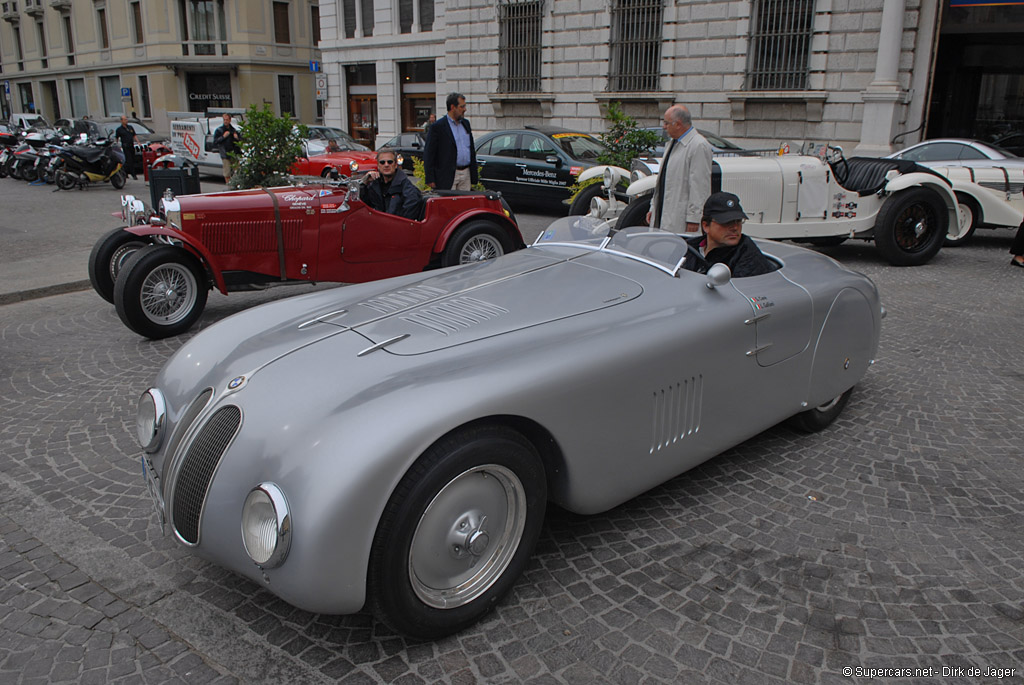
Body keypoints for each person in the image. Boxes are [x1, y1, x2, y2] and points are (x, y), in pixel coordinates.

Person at [647, 104, 712, 233]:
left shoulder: (698, 145)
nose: (664, 127)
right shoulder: (672, 143)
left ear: (678, 124)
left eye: (666, 123)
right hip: (665, 212)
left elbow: (700, 186)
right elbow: (663, 181)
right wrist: (654, 208)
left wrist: (694, 217)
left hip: (680, 218)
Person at [680, 192, 776, 278]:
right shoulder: (688, 248)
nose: (735, 228)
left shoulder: (747, 256)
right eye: (726, 222)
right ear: (706, 226)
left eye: (738, 221)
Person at [423, 93, 476, 191]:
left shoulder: (465, 124)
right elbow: (429, 153)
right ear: (452, 107)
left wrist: (473, 174)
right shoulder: (438, 127)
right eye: (462, 106)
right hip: (447, 175)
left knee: (465, 204)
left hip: (465, 173)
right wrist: (430, 178)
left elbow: (471, 149)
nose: (465, 109)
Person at [360, 148, 423, 220]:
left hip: (395, 228)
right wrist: (364, 183)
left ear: (396, 165)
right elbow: (361, 205)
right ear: (378, 166)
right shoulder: (374, 185)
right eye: (382, 162)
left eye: (390, 162)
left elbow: (406, 221)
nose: (386, 165)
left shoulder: (408, 189)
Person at [213, 113, 241, 183]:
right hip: (225, 154)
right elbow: (215, 142)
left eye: (227, 120)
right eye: (224, 120)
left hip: (234, 154)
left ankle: (236, 184)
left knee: (237, 171)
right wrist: (223, 137)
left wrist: (237, 138)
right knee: (227, 172)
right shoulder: (219, 130)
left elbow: (241, 140)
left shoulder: (233, 130)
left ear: (230, 120)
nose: (225, 121)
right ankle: (228, 186)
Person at [114, 115, 138, 180]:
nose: (126, 121)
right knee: (129, 160)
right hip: (125, 146)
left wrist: (138, 142)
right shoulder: (119, 129)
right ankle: (133, 174)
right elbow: (117, 138)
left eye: (126, 119)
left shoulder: (130, 127)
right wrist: (116, 146)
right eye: (124, 120)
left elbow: (134, 135)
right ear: (121, 121)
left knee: (132, 159)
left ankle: (125, 172)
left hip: (131, 145)